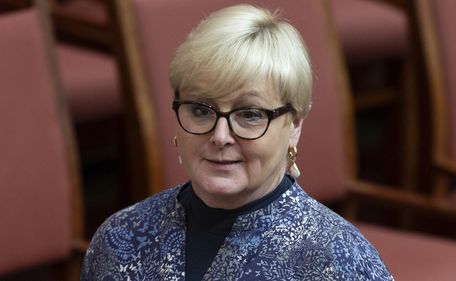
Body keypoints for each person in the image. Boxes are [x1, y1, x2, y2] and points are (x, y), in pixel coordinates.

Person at [81, 4, 393, 281]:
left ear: (294, 125)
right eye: (201, 110)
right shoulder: (120, 238)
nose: (220, 136)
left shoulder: (339, 261)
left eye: (249, 114)